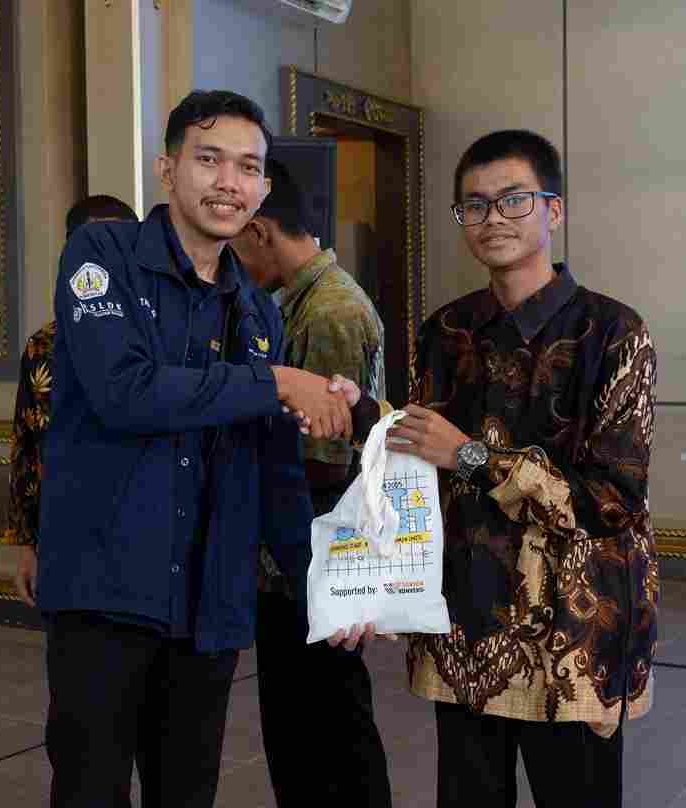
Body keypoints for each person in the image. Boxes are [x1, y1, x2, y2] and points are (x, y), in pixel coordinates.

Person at [35, 89, 370, 808]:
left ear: (264, 188)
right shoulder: (102, 255)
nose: (229, 182)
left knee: (187, 793)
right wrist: (273, 381)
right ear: (167, 169)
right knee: (90, 790)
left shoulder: (257, 314)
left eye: (248, 167)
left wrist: (328, 588)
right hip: (105, 594)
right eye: (209, 159)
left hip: (209, 605)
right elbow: (124, 391)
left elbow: (276, 470)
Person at [386, 130, 659, 808]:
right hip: (465, 622)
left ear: (553, 209)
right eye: (475, 205)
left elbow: (611, 500)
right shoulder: (444, 332)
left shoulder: (613, 332)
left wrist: (471, 456)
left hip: (572, 632)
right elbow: (417, 464)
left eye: (514, 200)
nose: (493, 219)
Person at [231, 159, 393, 808]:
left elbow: (325, 457)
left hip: (316, 555)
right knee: (303, 727)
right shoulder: (298, 304)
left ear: (261, 230)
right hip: (298, 556)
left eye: (237, 243)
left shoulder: (328, 312)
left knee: (328, 730)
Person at [8, 194, 140, 605]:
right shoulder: (44, 346)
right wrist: (26, 545)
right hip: (67, 540)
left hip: (144, 536)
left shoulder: (157, 336)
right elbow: (26, 446)